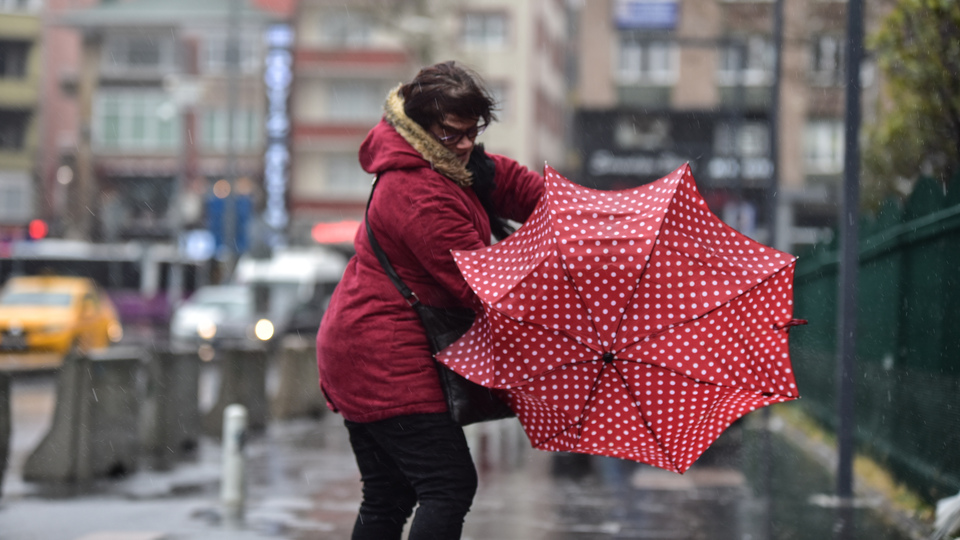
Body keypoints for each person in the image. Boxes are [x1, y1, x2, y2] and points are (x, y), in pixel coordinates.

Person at [315, 61, 544, 539]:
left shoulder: (454, 165)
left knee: (389, 494)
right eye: (450, 134)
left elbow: (521, 188)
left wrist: (589, 226)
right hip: (381, 355)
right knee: (448, 484)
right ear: (419, 128)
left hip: (362, 347)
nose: (464, 144)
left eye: (472, 132)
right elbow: (481, 284)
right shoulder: (418, 192)